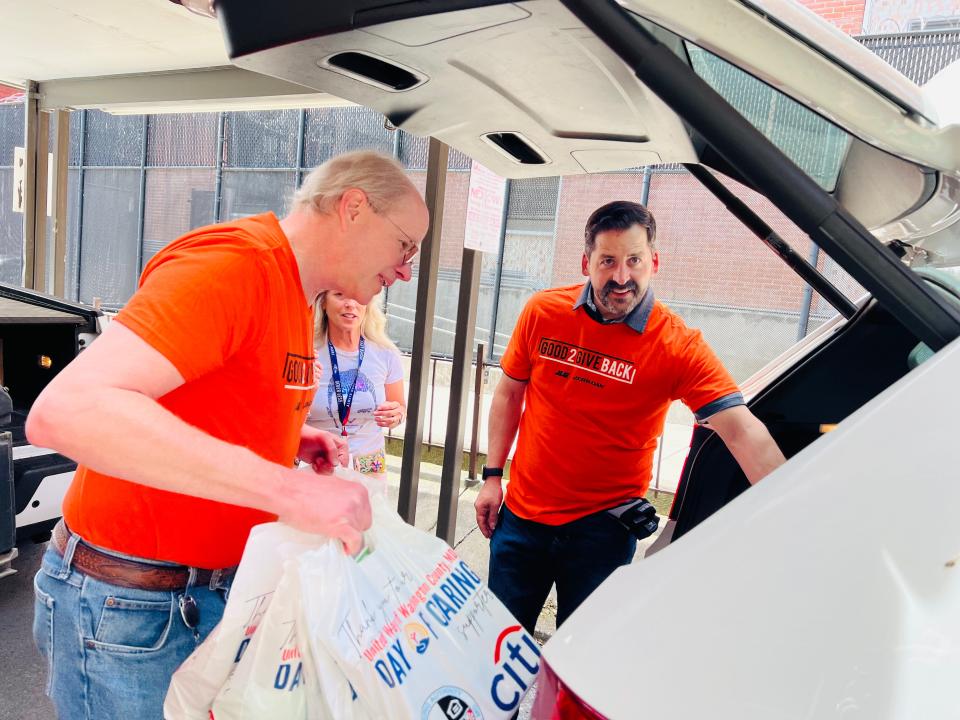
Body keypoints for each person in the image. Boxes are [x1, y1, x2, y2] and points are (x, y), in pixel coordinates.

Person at [25, 150, 429, 718]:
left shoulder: (296, 293)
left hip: (200, 599)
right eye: (405, 245)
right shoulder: (237, 265)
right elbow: (69, 411)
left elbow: (205, 399)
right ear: (354, 207)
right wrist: (290, 491)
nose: (407, 269)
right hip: (132, 610)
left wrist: (283, 440)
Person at [475, 200, 786, 635]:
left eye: (634, 260)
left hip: (602, 533)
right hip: (523, 520)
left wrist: (794, 505)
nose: (621, 277)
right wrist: (492, 475)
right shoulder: (543, 312)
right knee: (495, 649)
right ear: (587, 263)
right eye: (608, 261)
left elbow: (741, 429)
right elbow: (509, 393)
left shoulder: (676, 345)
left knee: (581, 666)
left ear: (654, 262)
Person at [307, 290, 405, 476]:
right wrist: (307, 392)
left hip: (370, 471)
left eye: (359, 296)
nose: (351, 303)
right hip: (318, 468)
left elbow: (400, 407)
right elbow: (288, 419)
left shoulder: (386, 354)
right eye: (340, 295)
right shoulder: (308, 353)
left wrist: (396, 415)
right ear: (324, 303)